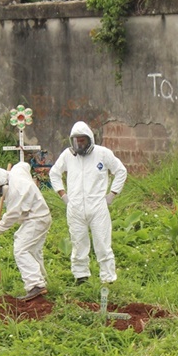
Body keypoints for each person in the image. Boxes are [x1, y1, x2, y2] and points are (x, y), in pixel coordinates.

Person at [49, 121, 127, 285]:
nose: (79, 143)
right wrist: (63, 195)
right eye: (76, 140)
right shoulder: (68, 155)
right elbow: (54, 173)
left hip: (98, 207)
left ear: (89, 139)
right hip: (75, 207)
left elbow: (120, 171)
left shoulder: (103, 154)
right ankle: (81, 277)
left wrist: (112, 195)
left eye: (82, 140)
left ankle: (108, 279)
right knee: (78, 244)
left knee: (103, 244)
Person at [0, 162, 53, 300]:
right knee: (33, 251)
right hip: (39, 216)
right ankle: (42, 281)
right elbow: (24, 165)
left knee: (21, 249)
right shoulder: (15, 173)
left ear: (3, 184)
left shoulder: (16, 190)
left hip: (36, 219)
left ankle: (35, 285)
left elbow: (12, 215)